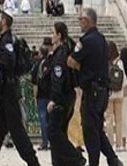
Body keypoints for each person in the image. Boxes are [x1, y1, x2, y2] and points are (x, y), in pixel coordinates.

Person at [67, 8, 123, 166]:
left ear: (87, 21)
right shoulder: (102, 40)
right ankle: (113, 160)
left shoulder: (86, 40)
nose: (79, 23)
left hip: (92, 91)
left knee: (90, 130)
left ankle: (94, 163)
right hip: (103, 91)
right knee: (97, 129)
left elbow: (71, 61)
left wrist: (82, 68)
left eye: (80, 20)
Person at [0, 12, 39, 166]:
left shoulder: (7, 40)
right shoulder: (7, 39)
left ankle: (33, 162)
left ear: (5, 22)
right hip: (5, 93)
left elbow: (9, 61)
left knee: (18, 133)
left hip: (9, 92)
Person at [45, 22, 84, 166]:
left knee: (53, 131)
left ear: (59, 35)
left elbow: (58, 78)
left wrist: (54, 99)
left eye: (52, 33)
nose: (51, 36)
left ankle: (75, 157)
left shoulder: (61, 54)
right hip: (69, 96)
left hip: (61, 97)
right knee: (60, 131)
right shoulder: (65, 51)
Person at [32, 38, 53, 151]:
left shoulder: (38, 64)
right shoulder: (51, 61)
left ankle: (45, 141)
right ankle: (51, 141)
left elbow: (34, 81)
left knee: (43, 119)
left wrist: (35, 96)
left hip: (41, 95)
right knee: (49, 120)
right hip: (50, 94)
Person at [106, 42, 124, 152]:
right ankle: (119, 144)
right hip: (119, 94)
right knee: (119, 120)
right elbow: (124, 79)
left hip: (109, 94)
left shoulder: (106, 63)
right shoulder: (120, 62)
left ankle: (111, 143)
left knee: (109, 119)